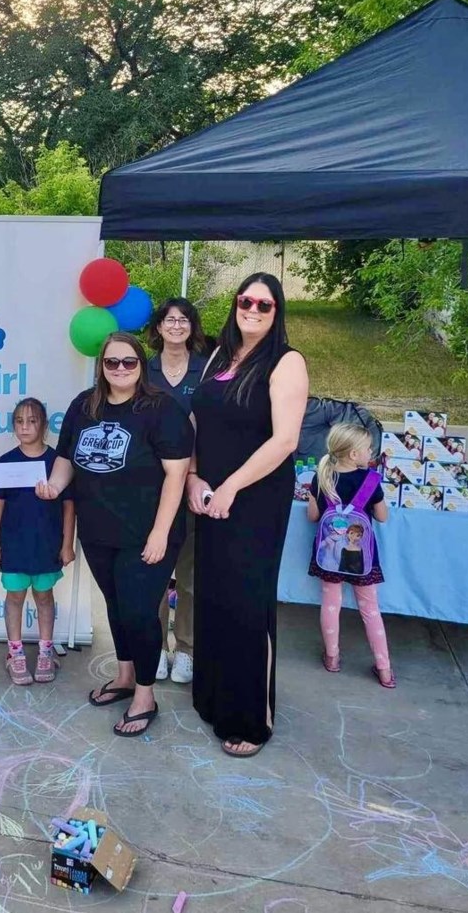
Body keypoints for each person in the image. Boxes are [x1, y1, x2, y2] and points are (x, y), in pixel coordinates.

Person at [37, 333, 193, 737]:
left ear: (141, 365)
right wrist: (53, 486)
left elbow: (177, 474)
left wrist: (160, 533)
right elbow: (67, 459)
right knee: (117, 606)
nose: (120, 369)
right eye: (112, 363)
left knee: (141, 613)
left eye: (129, 362)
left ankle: (145, 695)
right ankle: (125, 677)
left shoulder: (162, 409)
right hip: (98, 529)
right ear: (101, 366)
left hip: (147, 533)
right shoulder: (84, 405)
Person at [187, 274, 309, 757]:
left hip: (254, 499)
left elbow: (285, 441)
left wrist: (230, 488)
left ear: (277, 311)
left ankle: (251, 718)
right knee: (212, 595)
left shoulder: (286, 362)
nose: (253, 309)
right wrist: (196, 478)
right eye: (246, 300)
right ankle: (215, 698)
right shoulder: (220, 353)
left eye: (265, 303)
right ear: (235, 304)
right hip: (211, 494)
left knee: (246, 603)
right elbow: (199, 420)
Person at [145, 296, 215, 685]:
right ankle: (154, 646)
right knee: (152, 567)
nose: (175, 326)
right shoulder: (144, 369)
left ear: (192, 327)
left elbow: (213, 426)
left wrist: (195, 473)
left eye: (183, 320)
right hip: (151, 485)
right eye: (169, 320)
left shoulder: (207, 370)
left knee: (188, 572)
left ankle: (185, 648)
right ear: (158, 328)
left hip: (192, 480)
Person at [0, 398, 75, 685]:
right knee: (14, 598)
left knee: (44, 598)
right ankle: (15, 652)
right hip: (14, 546)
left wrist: (66, 544)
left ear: (45, 425)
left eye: (32, 421)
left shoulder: (57, 462)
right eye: (19, 421)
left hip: (47, 546)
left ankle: (45, 651)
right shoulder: (5, 463)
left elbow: (68, 507)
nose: (25, 427)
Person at [307, 423, 394, 687]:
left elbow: (313, 516)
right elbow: (382, 517)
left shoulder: (321, 477)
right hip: (362, 558)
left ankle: (332, 657)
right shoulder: (370, 481)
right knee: (370, 608)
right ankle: (385, 669)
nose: (371, 452)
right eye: (368, 448)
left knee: (331, 603)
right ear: (354, 454)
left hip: (330, 555)